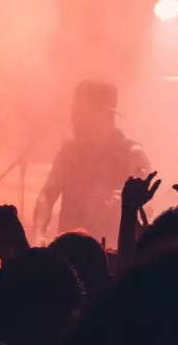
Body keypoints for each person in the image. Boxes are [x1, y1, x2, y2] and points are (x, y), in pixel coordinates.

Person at [33, 81, 150, 243]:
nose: (73, 118)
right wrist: (38, 234)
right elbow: (46, 194)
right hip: (68, 254)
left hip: (112, 256)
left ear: (102, 114)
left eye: (80, 113)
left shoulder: (132, 154)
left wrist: (126, 203)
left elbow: (147, 208)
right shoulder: (69, 152)